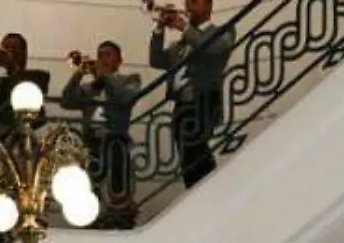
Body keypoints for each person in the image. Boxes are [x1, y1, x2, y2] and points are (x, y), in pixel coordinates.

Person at [149, 0, 235, 188]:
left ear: (209, 6)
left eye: (194, 2)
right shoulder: (179, 45)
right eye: (187, 3)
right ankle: (196, 188)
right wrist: (159, 29)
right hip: (182, 104)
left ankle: (210, 186)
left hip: (205, 98)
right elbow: (156, 59)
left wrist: (185, 28)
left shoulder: (222, 31)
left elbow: (215, 48)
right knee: (187, 153)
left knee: (195, 146)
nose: (189, 7)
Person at [62, 42, 141, 228]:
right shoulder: (90, 88)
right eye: (100, 55)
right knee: (91, 185)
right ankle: (92, 217)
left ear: (119, 61)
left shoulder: (129, 79)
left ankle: (118, 216)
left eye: (108, 55)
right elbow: (66, 100)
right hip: (92, 143)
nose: (102, 59)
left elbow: (126, 98)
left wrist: (107, 77)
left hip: (115, 141)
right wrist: (79, 73)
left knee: (115, 185)